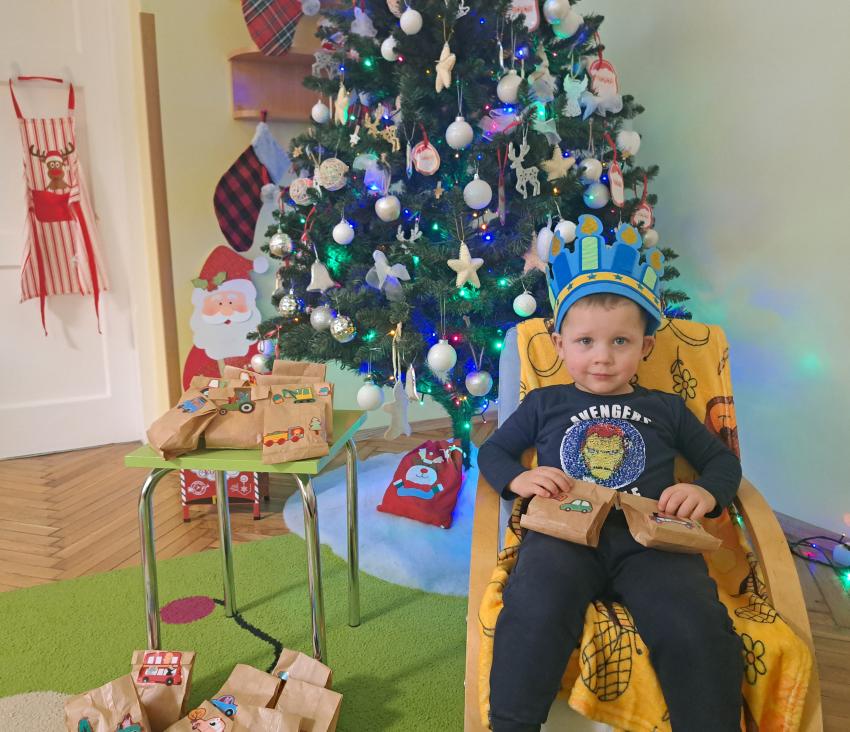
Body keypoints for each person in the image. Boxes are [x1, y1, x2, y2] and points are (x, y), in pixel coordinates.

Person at [478, 216, 743, 731]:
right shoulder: (545, 403)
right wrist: (518, 479)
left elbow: (722, 463)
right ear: (560, 345)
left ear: (645, 347)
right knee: (532, 609)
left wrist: (705, 493)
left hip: (653, 543)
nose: (602, 358)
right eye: (585, 342)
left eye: (620, 341)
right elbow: (495, 453)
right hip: (563, 537)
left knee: (697, 626)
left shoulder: (666, 408)